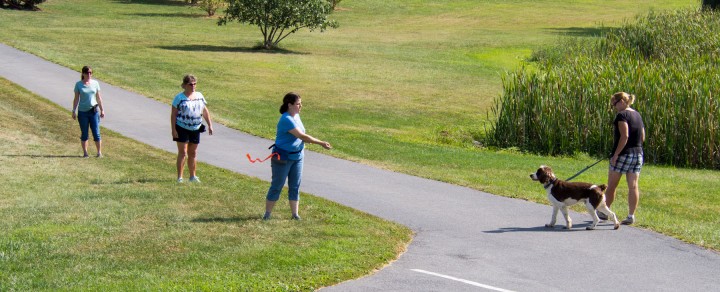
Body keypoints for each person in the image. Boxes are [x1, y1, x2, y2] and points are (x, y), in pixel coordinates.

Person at [263, 92, 332, 220]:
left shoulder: (296, 116)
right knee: (277, 185)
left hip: (298, 156)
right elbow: (302, 136)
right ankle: (267, 214)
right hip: (283, 158)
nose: (300, 106)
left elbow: (301, 137)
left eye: (301, 104)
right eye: (298, 104)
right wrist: (321, 143)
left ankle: (295, 215)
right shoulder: (286, 119)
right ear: (289, 105)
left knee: (295, 186)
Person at [603, 92, 645, 225]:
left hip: (623, 154)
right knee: (633, 186)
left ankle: (605, 212)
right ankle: (631, 215)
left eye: (614, 104)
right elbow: (642, 136)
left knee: (612, 185)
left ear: (621, 101)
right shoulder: (637, 115)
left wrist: (616, 154)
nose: (615, 107)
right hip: (638, 154)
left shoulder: (622, 115)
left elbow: (624, 136)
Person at [171, 74, 214, 183]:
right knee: (183, 152)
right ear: (185, 85)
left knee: (193, 152)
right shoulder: (179, 98)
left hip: (196, 127)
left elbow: (204, 111)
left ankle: (192, 176)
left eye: (195, 84)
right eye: (190, 84)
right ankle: (180, 177)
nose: (193, 86)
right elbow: (173, 115)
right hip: (182, 127)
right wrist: (174, 130)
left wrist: (210, 124)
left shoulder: (199, 95)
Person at [72, 65, 105, 158]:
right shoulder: (78, 84)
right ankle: (85, 153)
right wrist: (73, 110)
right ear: (83, 74)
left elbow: (99, 98)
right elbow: (76, 99)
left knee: (96, 132)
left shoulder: (95, 83)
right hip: (83, 112)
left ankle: (99, 152)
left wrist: (102, 110)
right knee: (84, 133)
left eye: (90, 72)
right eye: (87, 73)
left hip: (93, 111)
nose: (89, 74)